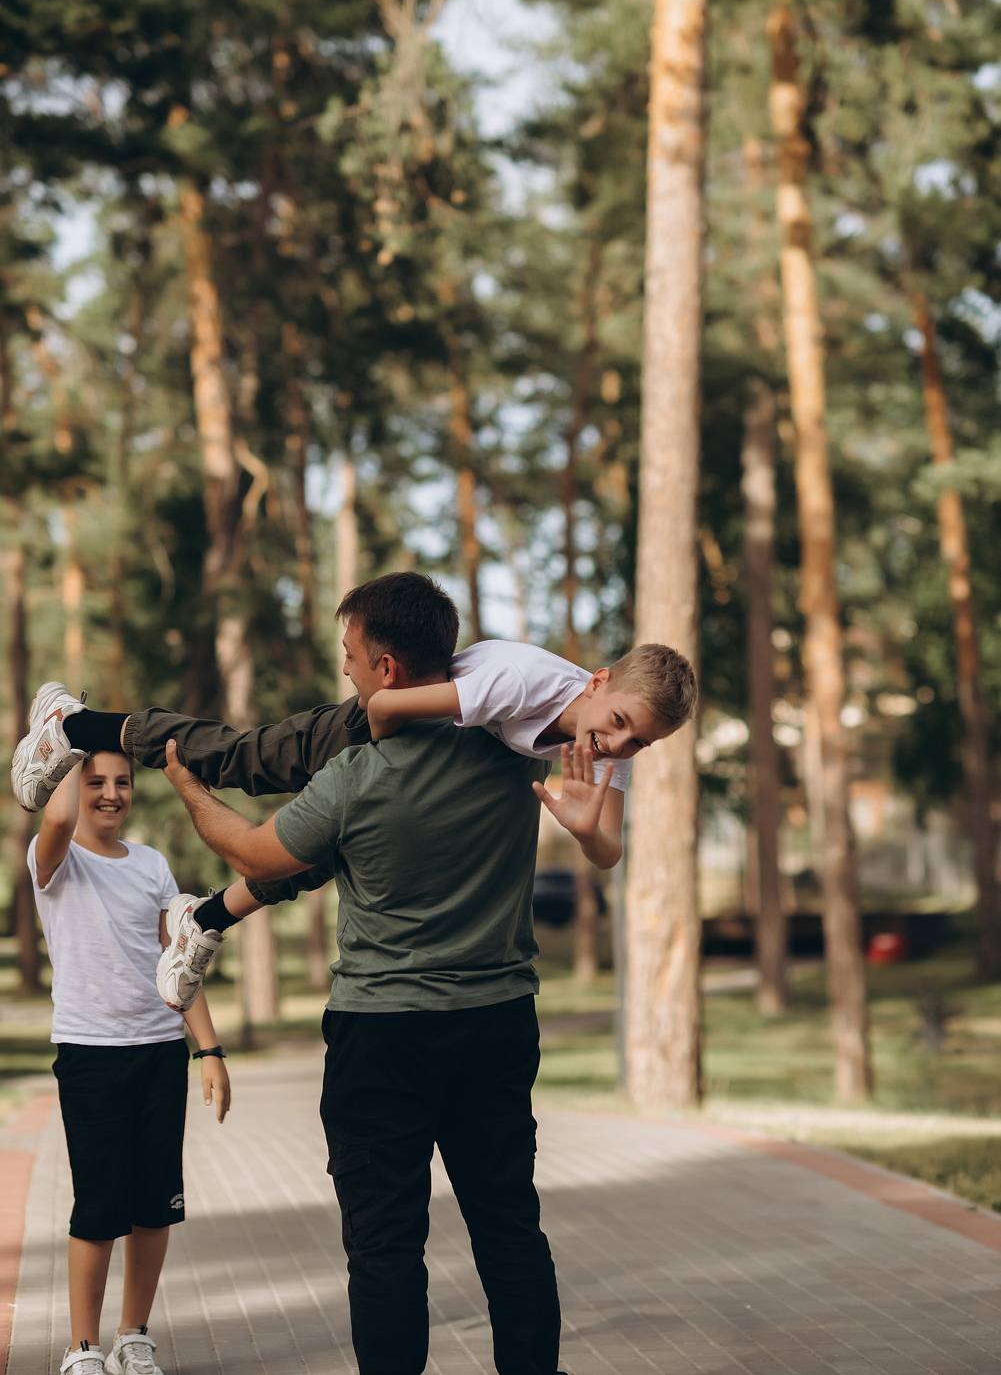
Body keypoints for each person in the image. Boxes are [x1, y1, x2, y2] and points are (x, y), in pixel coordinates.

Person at [155, 571, 576, 1375]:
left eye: (350, 656)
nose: (344, 669)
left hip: (381, 1037)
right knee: (509, 1229)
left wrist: (187, 787)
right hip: (495, 1026)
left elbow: (252, 855)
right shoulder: (509, 751)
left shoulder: (353, 777)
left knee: (383, 1245)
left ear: (386, 669)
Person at [11, 575, 696, 1008]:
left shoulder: (605, 751)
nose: (620, 746)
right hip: (385, 717)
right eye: (619, 724)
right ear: (598, 682)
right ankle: (73, 725)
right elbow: (387, 707)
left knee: (332, 849)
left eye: (639, 742)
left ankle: (207, 918)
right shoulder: (519, 681)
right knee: (242, 762)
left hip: (429, 726)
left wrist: (584, 829)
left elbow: (608, 851)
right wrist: (376, 765)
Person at [29, 749, 231, 1375]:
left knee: (154, 1206)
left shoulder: (151, 865)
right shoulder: (54, 859)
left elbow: (180, 964)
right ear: (74, 783)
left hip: (160, 1052)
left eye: (122, 782)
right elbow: (57, 817)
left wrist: (209, 1049)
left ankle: (133, 1337)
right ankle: (82, 1348)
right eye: (95, 782)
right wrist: (71, 735)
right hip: (91, 1055)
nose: (111, 794)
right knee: (98, 1207)